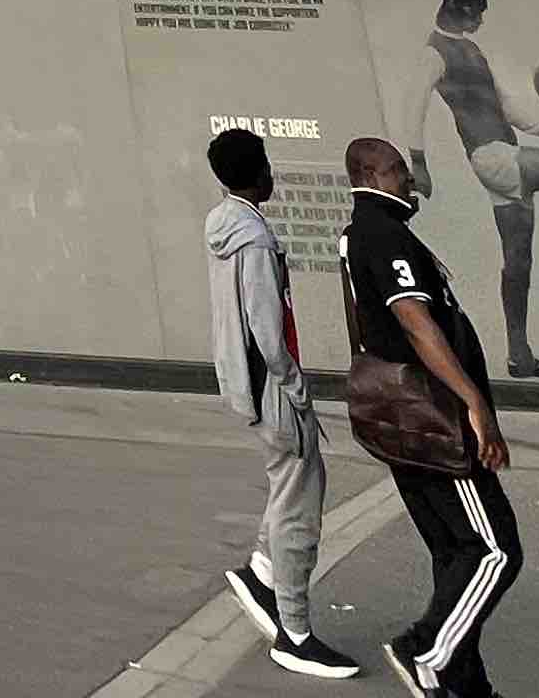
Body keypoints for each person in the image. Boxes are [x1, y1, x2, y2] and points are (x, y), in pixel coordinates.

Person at [341, 136, 523, 697]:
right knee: (495, 551)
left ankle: (466, 684)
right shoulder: (385, 235)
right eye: (399, 171)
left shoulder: (357, 234)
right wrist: (473, 404)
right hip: (434, 419)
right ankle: (427, 649)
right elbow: (417, 322)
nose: (410, 180)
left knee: (455, 551)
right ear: (371, 177)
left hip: (401, 420)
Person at [208, 127, 362, 679]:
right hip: (274, 387)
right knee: (301, 503)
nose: (274, 174)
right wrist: (295, 387)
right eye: (268, 165)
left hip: (249, 383)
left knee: (288, 483)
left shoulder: (227, 224)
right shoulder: (253, 240)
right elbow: (267, 330)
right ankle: (294, 634)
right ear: (257, 173)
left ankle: (261, 570)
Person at [412, 0, 539, 381]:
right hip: (492, 156)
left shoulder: (471, 49)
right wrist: (418, 162)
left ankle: (519, 356)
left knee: (517, 262)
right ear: (457, 6)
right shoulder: (434, 53)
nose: (481, 19)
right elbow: (413, 105)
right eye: (477, 12)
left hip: (503, 155)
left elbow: (503, 102)